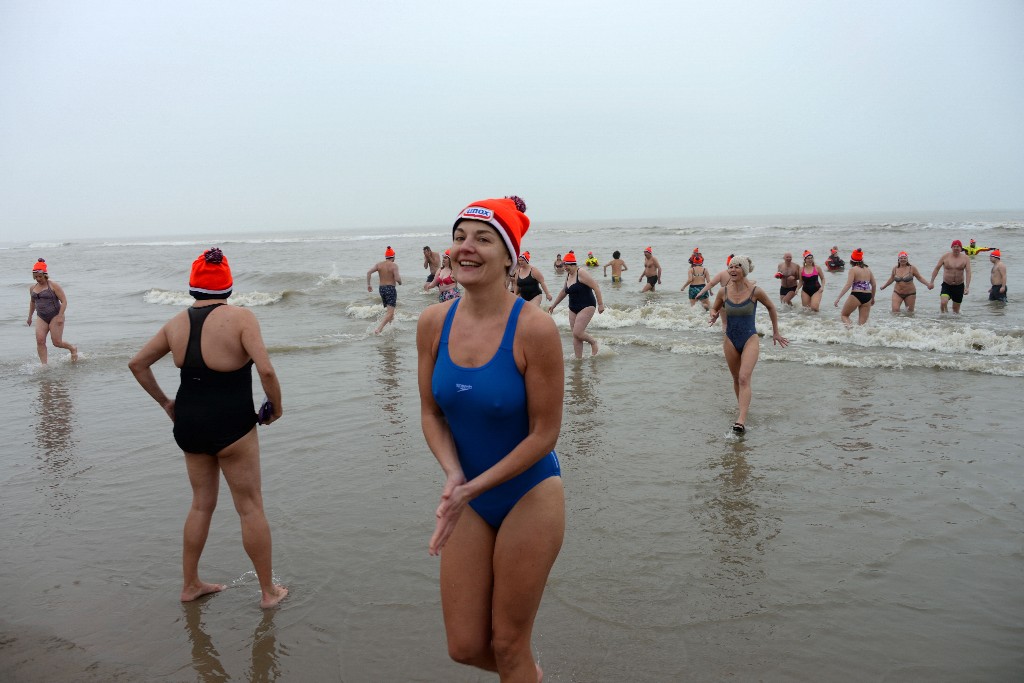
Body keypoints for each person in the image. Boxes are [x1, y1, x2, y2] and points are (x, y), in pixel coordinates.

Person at [417, 196, 564, 681]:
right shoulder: (433, 323)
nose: (466, 248)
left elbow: (545, 434)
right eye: (459, 237)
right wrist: (456, 475)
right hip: (468, 496)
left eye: (483, 239)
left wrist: (475, 487)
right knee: (464, 646)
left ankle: (520, 668)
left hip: (530, 493)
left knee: (507, 643)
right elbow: (431, 412)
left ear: (510, 257)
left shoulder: (535, 329)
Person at [128, 248, 288, 609]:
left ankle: (190, 585)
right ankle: (268, 592)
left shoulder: (176, 323)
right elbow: (266, 371)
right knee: (250, 507)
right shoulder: (242, 318)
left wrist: (167, 404)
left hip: (189, 424)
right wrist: (276, 407)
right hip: (233, 425)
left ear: (193, 288)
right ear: (228, 286)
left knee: (201, 505)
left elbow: (137, 364)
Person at [707, 255, 788, 434]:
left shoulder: (755, 291)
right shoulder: (724, 291)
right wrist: (713, 314)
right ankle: (742, 412)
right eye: (731, 267)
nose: (733, 270)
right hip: (730, 339)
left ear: (743, 270)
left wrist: (776, 332)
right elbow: (715, 307)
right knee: (736, 379)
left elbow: (771, 307)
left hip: (750, 338)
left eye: (737, 267)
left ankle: (741, 420)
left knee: (744, 377)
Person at [549, 250, 605, 358]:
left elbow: (596, 287)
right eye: (564, 265)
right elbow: (564, 291)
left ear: (573, 265)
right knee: (575, 336)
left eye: (567, 266)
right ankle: (578, 360)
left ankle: (593, 342)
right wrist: (554, 305)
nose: (565, 268)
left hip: (587, 305)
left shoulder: (581, 272)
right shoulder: (568, 275)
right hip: (573, 307)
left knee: (578, 332)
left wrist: (601, 304)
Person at [27, 258, 78, 364]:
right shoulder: (33, 288)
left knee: (56, 342)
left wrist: (60, 315)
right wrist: (30, 317)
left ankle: (72, 348)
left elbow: (64, 301)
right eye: (35, 277)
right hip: (41, 316)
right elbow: (32, 302)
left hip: (55, 315)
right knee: (40, 341)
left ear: (45, 275)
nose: (38, 279)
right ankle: (44, 365)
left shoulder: (53, 285)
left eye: (40, 276)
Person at [834, 249, 877, 325]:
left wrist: (838, 298)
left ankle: (850, 331)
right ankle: (860, 335)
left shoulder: (853, 270)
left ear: (851, 260)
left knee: (844, 315)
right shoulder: (868, 270)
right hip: (868, 296)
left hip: (857, 295)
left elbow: (848, 284)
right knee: (862, 325)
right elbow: (874, 284)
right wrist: (873, 298)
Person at [367, 246, 403, 334]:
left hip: (381, 289)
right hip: (390, 289)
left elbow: (369, 272)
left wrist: (369, 285)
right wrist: (400, 282)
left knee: (390, 311)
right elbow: (397, 278)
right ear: (393, 256)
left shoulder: (379, 264)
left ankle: (391, 327)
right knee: (390, 312)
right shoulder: (394, 265)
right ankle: (379, 329)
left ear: (386, 256)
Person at [929, 240, 972, 313]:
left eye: (958, 247)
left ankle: (953, 323)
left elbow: (968, 272)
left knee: (955, 310)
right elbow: (937, 268)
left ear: (961, 248)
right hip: (947, 285)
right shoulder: (945, 256)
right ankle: (943, 316)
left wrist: (967, 287)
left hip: (959, 286)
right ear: (951, 247)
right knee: (943, 302)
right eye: (954, 247)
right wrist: (931, 282)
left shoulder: (965, 258)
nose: (956, 248)